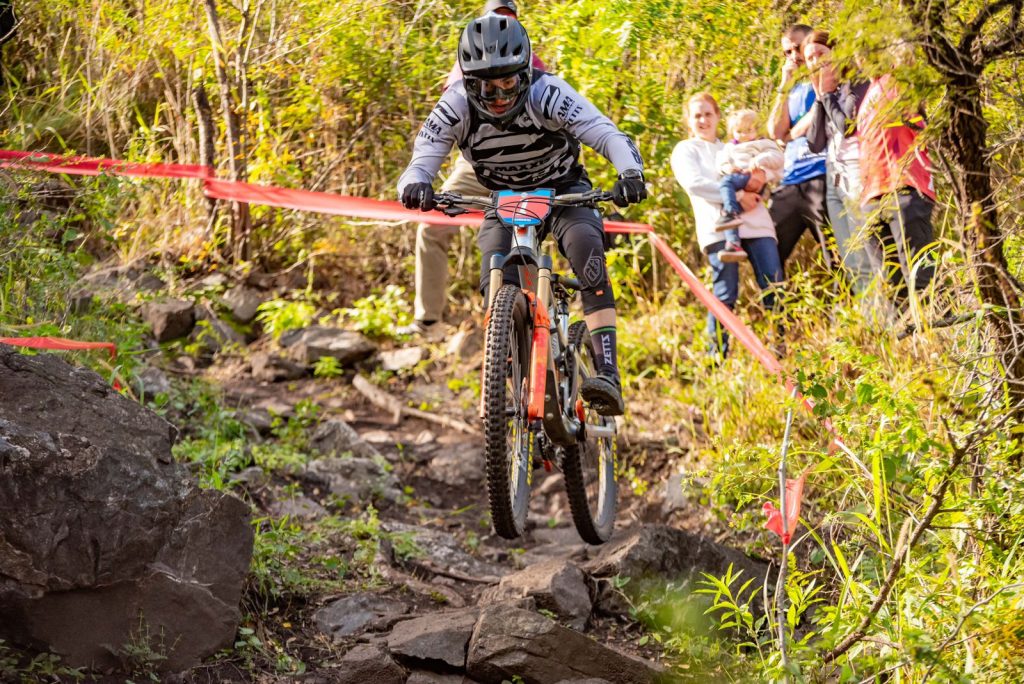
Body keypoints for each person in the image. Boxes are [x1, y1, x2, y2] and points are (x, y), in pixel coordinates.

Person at [397, 15, 646, 415]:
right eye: (486, 87)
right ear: (469, 82)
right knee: (494, 275)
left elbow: (605, 132)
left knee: (587, 251)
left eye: (509, 83)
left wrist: (629, 172)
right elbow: (422, 158)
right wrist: (416, 184)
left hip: (563, 189)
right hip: (504, 197)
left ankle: (607, 373)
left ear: (525, 73)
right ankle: (514, 370)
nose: (498, 96)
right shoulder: (455, 105)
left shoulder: (548, 93)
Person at [402, 0, 549, 337]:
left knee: (524, 239)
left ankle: (531, 325)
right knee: (431, 226)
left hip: (523, 166)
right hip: (475, 165)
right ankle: (428, 319)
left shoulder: (530, 57)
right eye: (496, 16)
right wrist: (420, 177)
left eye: (508, 17)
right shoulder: (466, 60)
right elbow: (447, 118)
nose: (501, 22)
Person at [671, 93, 785, 359]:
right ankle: (717, 358)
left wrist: (760, 181)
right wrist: (738, 196)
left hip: (756, 222)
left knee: (774, 285)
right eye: (697, 115)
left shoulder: (735, 146)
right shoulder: (686, 149)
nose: (703, 120)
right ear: (688, 120)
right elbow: (695, 184)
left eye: (708, 114)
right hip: (718, 228)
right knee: (725, 293)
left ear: (718, 116)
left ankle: (780, 352)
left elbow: (770, 168)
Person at [856, 46, 936, 307]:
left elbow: (907, 54)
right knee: (893, 290)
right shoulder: (869, 90)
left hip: (905, 189)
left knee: (921, 279)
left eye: (867, 47)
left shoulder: (901, 80)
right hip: (872, 197)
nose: (861, 56)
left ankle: (937, 328)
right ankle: (908, 334)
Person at [802, 30, 876, 294]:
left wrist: (828, 96)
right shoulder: (824, 94)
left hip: (858, 173)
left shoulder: (855, 83)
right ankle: (869, 314)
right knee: (851, 257)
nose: (816, 62)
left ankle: (889, 312)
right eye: (809, 59)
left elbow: (847, 127)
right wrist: (820, 99)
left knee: (867, 250)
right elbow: (814, 143)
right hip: (834, 177)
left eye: (820, 54)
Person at [767, 24, 831, 272]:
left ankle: (847, 297)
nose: (794, 56)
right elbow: (775, 131)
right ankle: (775, 297)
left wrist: (790, 133)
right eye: (787, 52)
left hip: (822, 173)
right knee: (768, 248)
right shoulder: (792, 88)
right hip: (791, 178)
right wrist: (785, 83)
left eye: (797, 48)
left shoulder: (827, 73)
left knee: (835, 252)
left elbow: (820, 108)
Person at [715, 109, 784, 263]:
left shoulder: (762, 143)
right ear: (732, 132)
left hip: (750, 176)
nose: (744, 135)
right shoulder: (729, 147)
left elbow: (778, 158)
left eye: (748, 130)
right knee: (727, 210)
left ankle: (730, 215)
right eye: (739, 131)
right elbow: (721, 161)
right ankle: (734, 244)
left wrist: (759, 160)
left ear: (756, 129)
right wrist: (727, 168)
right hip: (738, 177)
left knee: (726, 183)